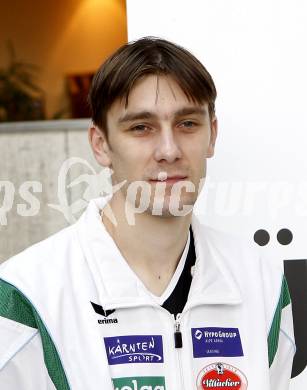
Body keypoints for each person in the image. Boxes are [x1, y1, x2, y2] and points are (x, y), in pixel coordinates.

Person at [0, 37, 295, 390]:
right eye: (141, 127)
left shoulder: (263, 280)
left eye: (187, 123)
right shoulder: (28, 294)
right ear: (101, 144)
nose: (169, 150)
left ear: (211, 135)